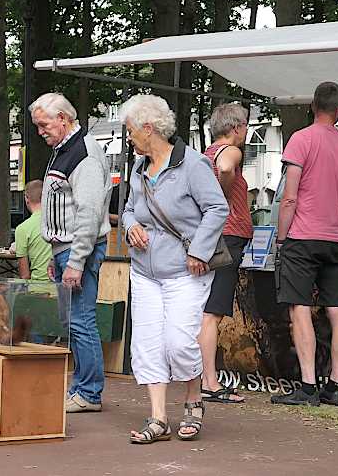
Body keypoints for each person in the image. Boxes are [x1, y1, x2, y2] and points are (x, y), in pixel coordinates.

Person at [120, 94, 228, 442]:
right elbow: (128, 209)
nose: (128, 138)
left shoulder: (192, 165)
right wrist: (129, 225)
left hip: (186, 270)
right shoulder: (138, 168)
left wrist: (199, 250)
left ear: (148, 129)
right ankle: (158, 417)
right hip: (144, 271)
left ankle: (194, 399)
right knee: (148, 344)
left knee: (179, 343)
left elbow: (217, 208)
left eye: (131, 131)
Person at [270, 82, 338, 407]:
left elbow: (290, 196)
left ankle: (308, 386)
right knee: (337, 311)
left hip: (302, 237)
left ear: (312, 106)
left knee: (301, 309)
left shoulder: (301, 140)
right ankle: (334, 386)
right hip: (334, 238)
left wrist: (282, 238)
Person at [30, 92, 111, 413]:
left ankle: (89, 392)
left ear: (63, 119)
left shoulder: (84, 154)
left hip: (81, 250)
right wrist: (55, 254)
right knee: (75, 320)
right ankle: (81, 387)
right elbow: (61, 207)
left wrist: (75, 261)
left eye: (44, 125)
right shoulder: (65, 148)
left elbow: (89, 212)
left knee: (81, 320)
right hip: (66, 249)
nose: (41, 132)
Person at [199, 102, 253, 404]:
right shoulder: (229, 151)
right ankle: (210, 381)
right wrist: (224, 191)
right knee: (213, 313)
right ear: (235, 128)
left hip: (212, 239)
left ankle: (203, 378)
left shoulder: (202, 155)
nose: (246, 132)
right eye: (245, 126)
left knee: (205, 310)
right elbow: (226, 166)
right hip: (227, 238)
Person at [15, 180, 52, 281]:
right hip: (63, 287)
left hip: (38, 288)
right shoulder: (59, 221)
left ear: (27, 198)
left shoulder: (22, 229)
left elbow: (24, 275)